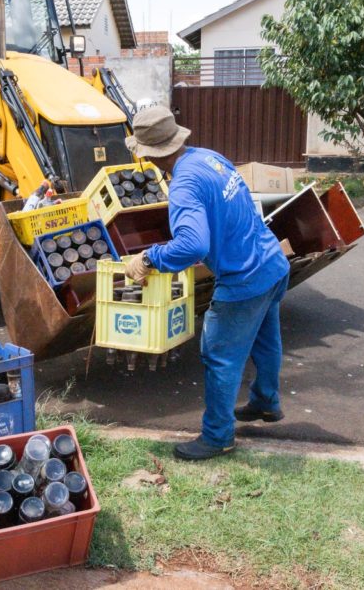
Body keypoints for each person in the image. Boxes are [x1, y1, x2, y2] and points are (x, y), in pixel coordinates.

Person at [123, 106, 291, 461]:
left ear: (149, 156)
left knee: (219, 355)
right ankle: (266, 402)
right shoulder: (209, 157)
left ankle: (217, 436)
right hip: (272, 263)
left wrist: (150, 258)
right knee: (265, 340)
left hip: (243, 279)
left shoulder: (183, 185)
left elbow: (193, 244)